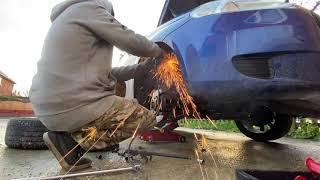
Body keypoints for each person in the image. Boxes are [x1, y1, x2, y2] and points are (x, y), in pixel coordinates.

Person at [29, 0, 164, 171]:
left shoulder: (67, 18)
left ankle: (67, 144)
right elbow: (128, 39)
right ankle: (75, 142)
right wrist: (157, 52)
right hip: (70, 104)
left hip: (47, 107)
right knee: (146, 119)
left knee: (117, 85)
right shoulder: (90, 8)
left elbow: (107, 73)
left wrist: (140, 69)